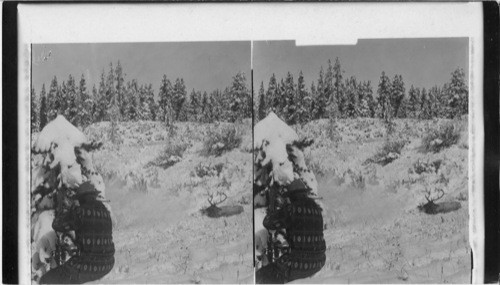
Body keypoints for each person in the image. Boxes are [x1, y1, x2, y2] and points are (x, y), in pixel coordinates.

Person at [39, 182, 115, 284]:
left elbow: (56, 224)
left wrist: (70, 209)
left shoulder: (80, 212)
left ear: (82, 198)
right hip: (108, 264)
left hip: (87, 266)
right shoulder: (105, 211)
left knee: (46, 280)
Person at [256, 179, 326, 284]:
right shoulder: (317, 210)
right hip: (319, 262)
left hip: (298, 264)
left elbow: (268, 222)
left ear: (292, 195)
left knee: (260, 276)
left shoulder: (291, 209)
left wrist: (282, 209)